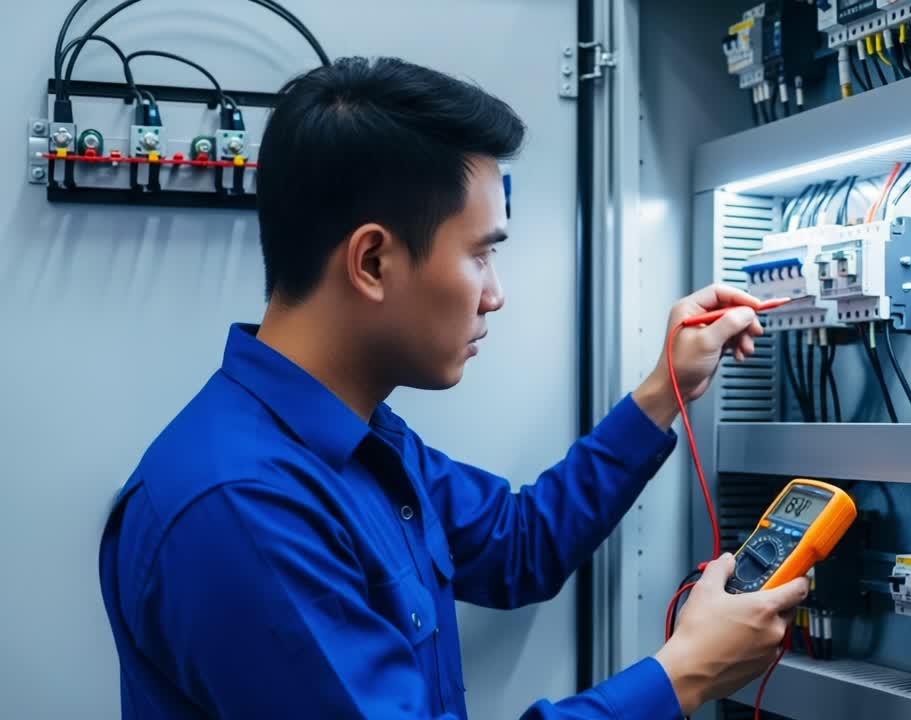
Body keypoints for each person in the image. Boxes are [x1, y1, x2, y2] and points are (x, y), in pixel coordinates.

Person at [98, 57, 808, 719]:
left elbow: (519, 547)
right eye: (480, 256)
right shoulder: (245, 508)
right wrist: (683, 674)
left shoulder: (358, 440)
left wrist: (664, 390)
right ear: (372, 260)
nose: (494, 295)